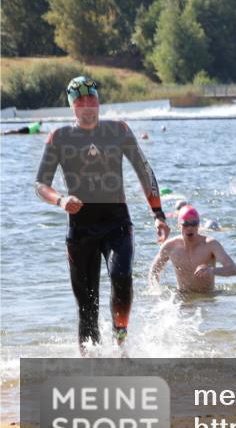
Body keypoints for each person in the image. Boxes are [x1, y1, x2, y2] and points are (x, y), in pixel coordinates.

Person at [35, 76, 170, 350]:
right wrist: (61, 200)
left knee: (121, 278)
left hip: (116, 223)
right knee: (87, 307)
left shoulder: (118, 130)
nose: (87, 105)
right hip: (80, 229)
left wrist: (158, 215)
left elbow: (144, 171)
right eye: (80, 101)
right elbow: (41, 185)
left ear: (98, 102)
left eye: (91, 99)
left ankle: (120, 342)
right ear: (72, 106)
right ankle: (90, 364)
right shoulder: (59, 137)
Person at [149, 206, 236, 293]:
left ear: (198, 225)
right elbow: (154, 272)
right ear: (179, 225)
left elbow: (233, 269)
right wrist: (156, 292)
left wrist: (212, 270)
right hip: (182, 296)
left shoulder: (210, 244)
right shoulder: (170, 246)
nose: (190, 228)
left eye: (194, 224)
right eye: (186, 224)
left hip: (207, 296)